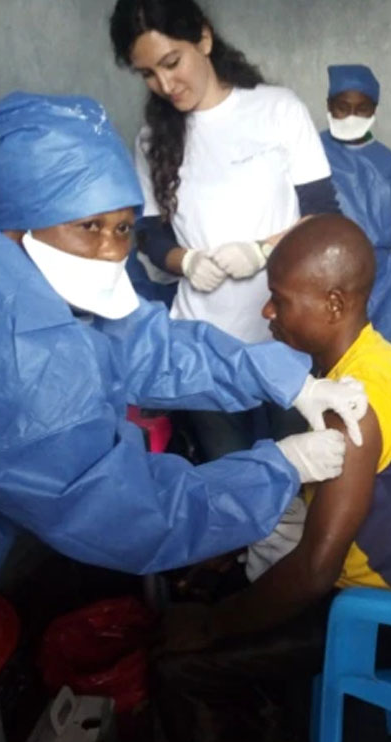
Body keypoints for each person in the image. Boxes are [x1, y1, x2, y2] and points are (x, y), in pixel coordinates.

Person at [0, 92, 370, 742]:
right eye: (90, 227)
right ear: (16, 226)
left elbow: (140, 344)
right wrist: (280, 467)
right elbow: (126, 510)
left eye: (125, 228)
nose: (110, 250)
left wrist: (283, 377)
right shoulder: (9, 348)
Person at [151, 214, 391, 742]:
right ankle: (275, 720)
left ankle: (257, 739)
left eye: (279, 298)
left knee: (179, 664)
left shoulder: (357, 404)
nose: (267, 312)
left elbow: (314, 573)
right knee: (219, 590)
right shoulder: (375, 355)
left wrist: (209, 626)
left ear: (333, 304)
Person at [110, 0, 342, 460]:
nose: (165, 84)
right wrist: (187, 261)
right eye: (148, 74)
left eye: (171, 63)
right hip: (202, 343)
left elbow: (323, 216)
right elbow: (151, 234)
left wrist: (262, 251)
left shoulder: (277, 111)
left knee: (301, 469)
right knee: (228, 474)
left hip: (284, 334)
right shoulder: (153, 139)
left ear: (204, 38)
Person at [320, 64, 391, 378]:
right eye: (342, 107)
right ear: (329, 106)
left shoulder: (388, 162)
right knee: (334, 373)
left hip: (383, 282)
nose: (351, 116)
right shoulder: (310, 153)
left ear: (374, 111)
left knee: (390, 373)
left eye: (361, 109)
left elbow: (385, 224)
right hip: (328, 276)